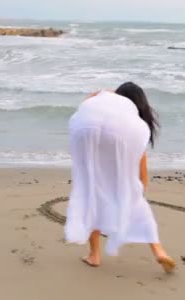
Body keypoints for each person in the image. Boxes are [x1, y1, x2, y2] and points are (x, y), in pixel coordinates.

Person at [64, 82, 176, 273]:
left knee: (91, 197)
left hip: (86, 133)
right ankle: (159, 251)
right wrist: (139, 192)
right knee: (135, 200)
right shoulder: (133, 124)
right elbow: (142, 170)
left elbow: (86, 104)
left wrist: (101, 92)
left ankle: (94, 255)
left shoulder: (101, 107)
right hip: (118, 142)